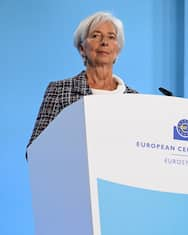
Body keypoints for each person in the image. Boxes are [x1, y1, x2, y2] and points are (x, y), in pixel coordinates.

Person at [27, 11, 137, 150]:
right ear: (81, 48)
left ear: (117, 50)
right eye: (96, 36)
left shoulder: (135, 99)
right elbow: (35, 149)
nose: (104, 42)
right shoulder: (59, 91)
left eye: (111, 37)